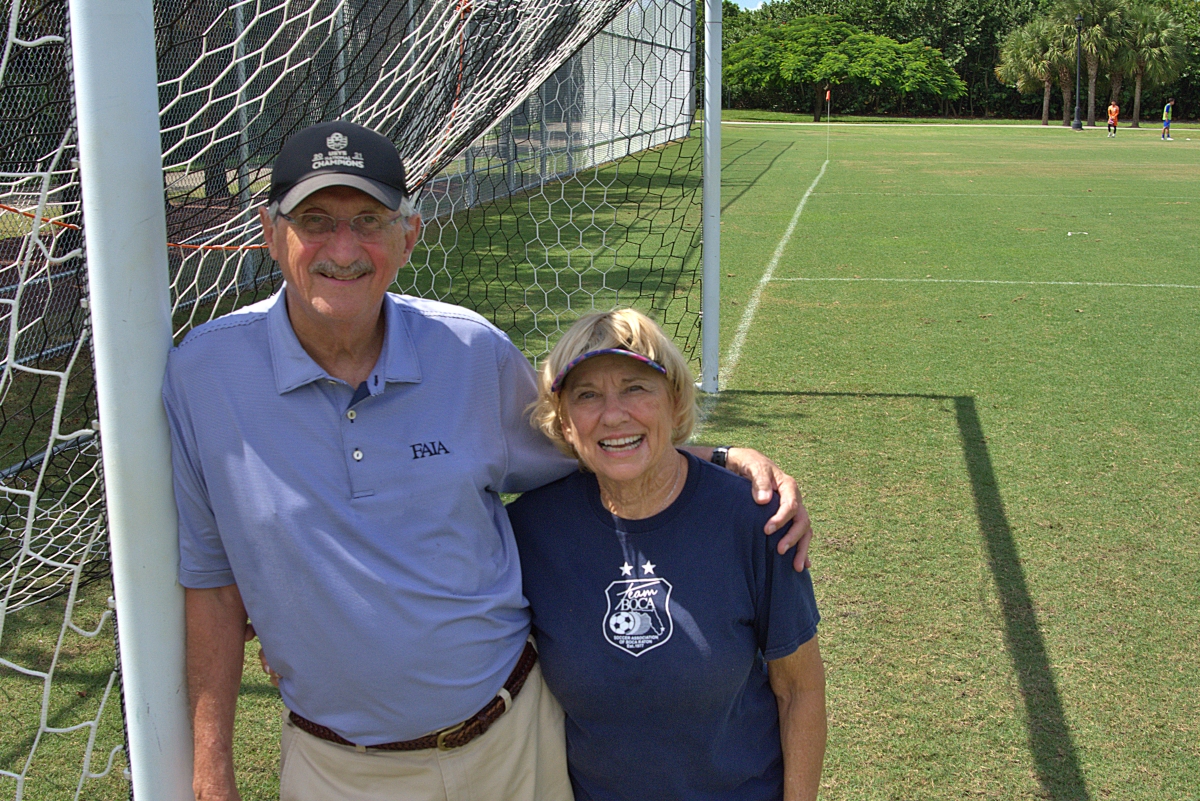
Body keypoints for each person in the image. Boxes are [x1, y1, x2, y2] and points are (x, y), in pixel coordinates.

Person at [163, 120, 814, 801]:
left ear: (408, 237)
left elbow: (584, 443)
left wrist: (722, 456)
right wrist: (212, 772)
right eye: (315, 220)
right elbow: (211, 583)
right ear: (271, 233)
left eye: (370, 220)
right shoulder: (204, 375)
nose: (344, 248)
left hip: (512, 745)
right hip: (339, 768)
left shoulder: (469, 352)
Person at [508, 309, 827, 801]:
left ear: (675, 401)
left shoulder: (753, 521)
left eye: (636, 387)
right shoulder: (530, 530)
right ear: (565, 424)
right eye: (587, 395)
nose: (613, 414)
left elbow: (799, 692)